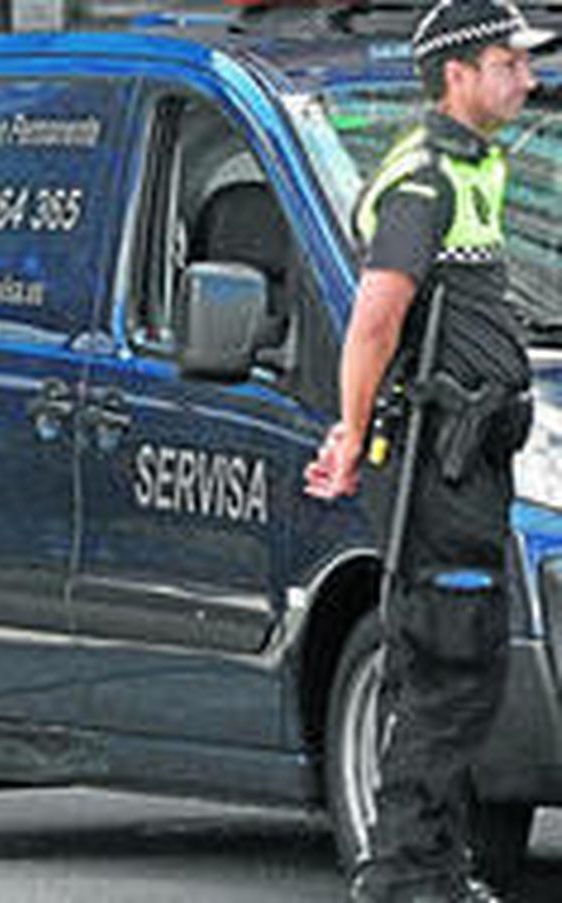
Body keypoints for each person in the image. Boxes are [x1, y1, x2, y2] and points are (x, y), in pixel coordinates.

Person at [304, 2, 554, 899]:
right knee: (445, 668)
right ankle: (403, 876)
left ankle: (436, 867)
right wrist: (349, 430)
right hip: (431, 460)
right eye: (509, 63)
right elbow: (375, 321)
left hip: (473, 459)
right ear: (459, 72)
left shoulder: (480, 168)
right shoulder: (421, 181)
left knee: (470, 669)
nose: (526, 78)